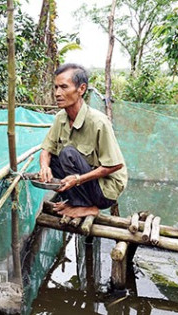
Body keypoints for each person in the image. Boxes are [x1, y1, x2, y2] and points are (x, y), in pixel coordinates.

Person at [39, 63, 127, 218]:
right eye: (56, 87)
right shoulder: (61, 117)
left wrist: (78, 179)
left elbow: (115, 165)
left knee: (68, 153)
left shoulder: (98, 122)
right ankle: (76, 201)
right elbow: (47, 149)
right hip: (84, 184)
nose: (58, 93)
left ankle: (88, 207)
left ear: (81, 89)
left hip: (104, 190)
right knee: (52, 161)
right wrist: (44, 167)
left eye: (64, 87)